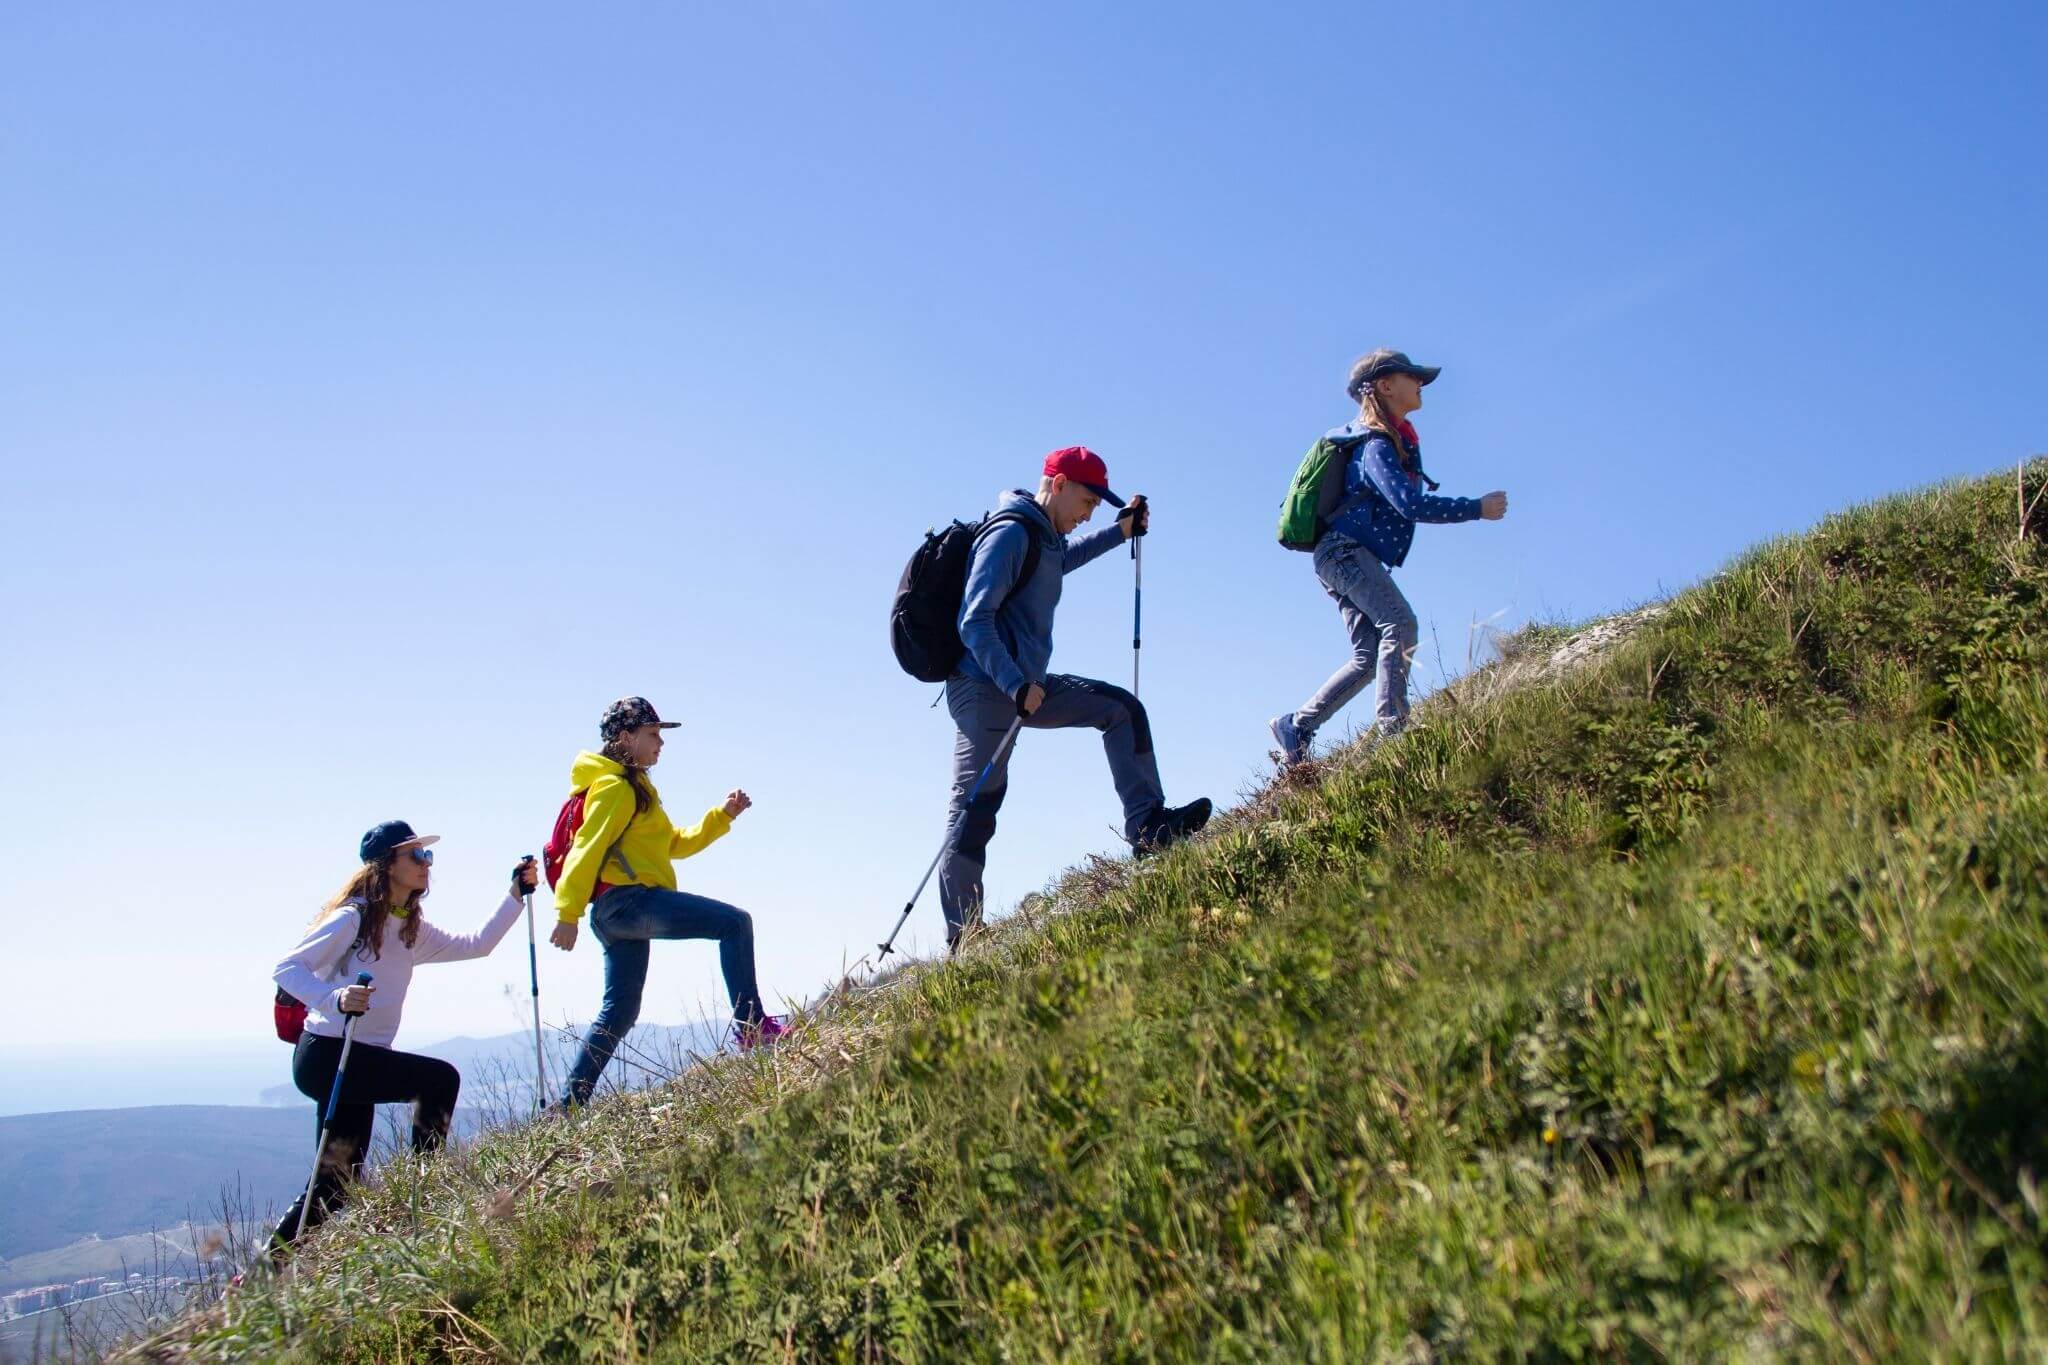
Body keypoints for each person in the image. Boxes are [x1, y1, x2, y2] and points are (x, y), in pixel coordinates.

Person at [939, 446, 1212, 949]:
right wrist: (1015, 684)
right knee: (976, 805)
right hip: (985, 687)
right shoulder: (1009, 532)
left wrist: (1120, 532)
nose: (1089, 513)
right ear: (1059, 483)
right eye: (1087, 501)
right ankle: (966, 939)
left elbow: (1065, 560)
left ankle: (1149, 828)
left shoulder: (1044, 538)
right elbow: (973, 622)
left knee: (1121, 708)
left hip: (1029, 686)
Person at [270, 821, 534, 1253]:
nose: (426, 863)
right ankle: (425, 1197)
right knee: (439, 1080)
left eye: (427, 855)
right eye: (415, 855)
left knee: (335, 1186)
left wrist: (514, 897)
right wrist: (335, 998)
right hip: (328, 1055)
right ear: (387, 865)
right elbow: (287, 969)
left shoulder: (409, 927)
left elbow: (477, 944)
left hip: (357, 1058)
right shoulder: (351, 918)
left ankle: (261, 1274)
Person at [1271, 350, 1508, 765]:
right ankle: (1395, 730)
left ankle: (1297, 726)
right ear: (1384, 386)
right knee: (1400, 623)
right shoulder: (1376, 444)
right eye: (1411, 376)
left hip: (1340, 555)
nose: (1420, 383)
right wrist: (1477, 508)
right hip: (1344, 553)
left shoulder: (1384, 440)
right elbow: (1409, 504)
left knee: (1368, 655)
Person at [550, 696, 783, 1108]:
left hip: (617, 913)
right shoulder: (615, 789)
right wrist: (567, 913)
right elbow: (587, 848)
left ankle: (570, 1103)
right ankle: (751, 1026)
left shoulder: (636, 788)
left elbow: (673, 844)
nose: (661, 743)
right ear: (625, 737)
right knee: (735, 924)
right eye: (653, 734)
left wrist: (722, 815)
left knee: (619, 1011)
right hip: (628, 903)